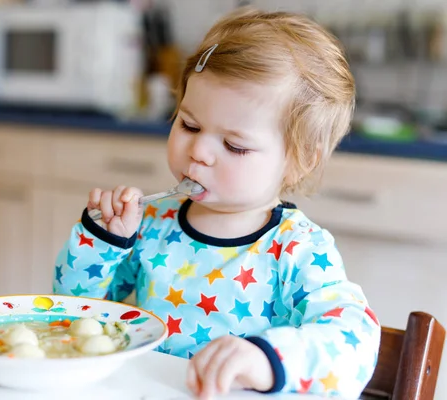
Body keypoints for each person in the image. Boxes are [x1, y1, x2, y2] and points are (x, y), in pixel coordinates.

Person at [53, 6, 380, 399]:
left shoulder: (297, 249)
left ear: (298, 161)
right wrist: (103, 243)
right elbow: (73, 314)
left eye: (234, 145)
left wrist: (266, 361)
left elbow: (354, 344)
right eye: (189, 124)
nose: (200, 151)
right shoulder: (150, 223)